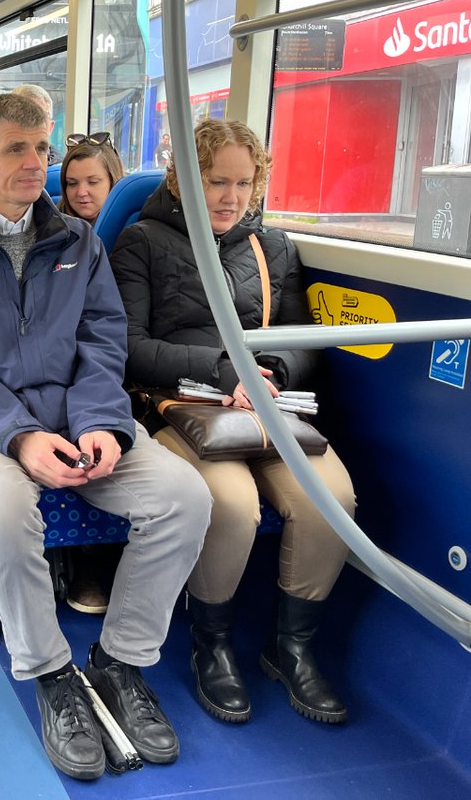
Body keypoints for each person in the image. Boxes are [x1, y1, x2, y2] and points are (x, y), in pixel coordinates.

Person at [0, 94, 212, 781]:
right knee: (8, 514)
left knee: (185, 497)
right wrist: (19, 438)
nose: (36, 163)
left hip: (79, 415)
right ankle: (51, 676)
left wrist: (101, 423)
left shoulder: (78, 242)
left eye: (42, 148)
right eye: (17, 148)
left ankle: (121, 661)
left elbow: (104, 343)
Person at [109, 118, 357, 726]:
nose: (230, 197)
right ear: (183, 178)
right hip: (182, 402)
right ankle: (211, 645)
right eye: (216, 181)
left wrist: (267, 367)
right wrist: (226, 370)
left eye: (244, 183)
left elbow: (302, 338)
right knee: (230, 501)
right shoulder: (141, 241)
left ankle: (290, 648)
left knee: (334, 496)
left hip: (268, 401)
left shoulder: (273, 250)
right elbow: (129, 347)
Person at [52, 131, 130, 615]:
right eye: (73, 183)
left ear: (113, 184)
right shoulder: (56, 239)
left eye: (94, 182)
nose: (83, 192)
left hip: (118, 359)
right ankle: (81, 557)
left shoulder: (131, 237)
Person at [11, 84, 62, 165]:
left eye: (40, 116)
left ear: (50, 127)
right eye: (23, 115)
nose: (32, 122)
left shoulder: (64, 174)